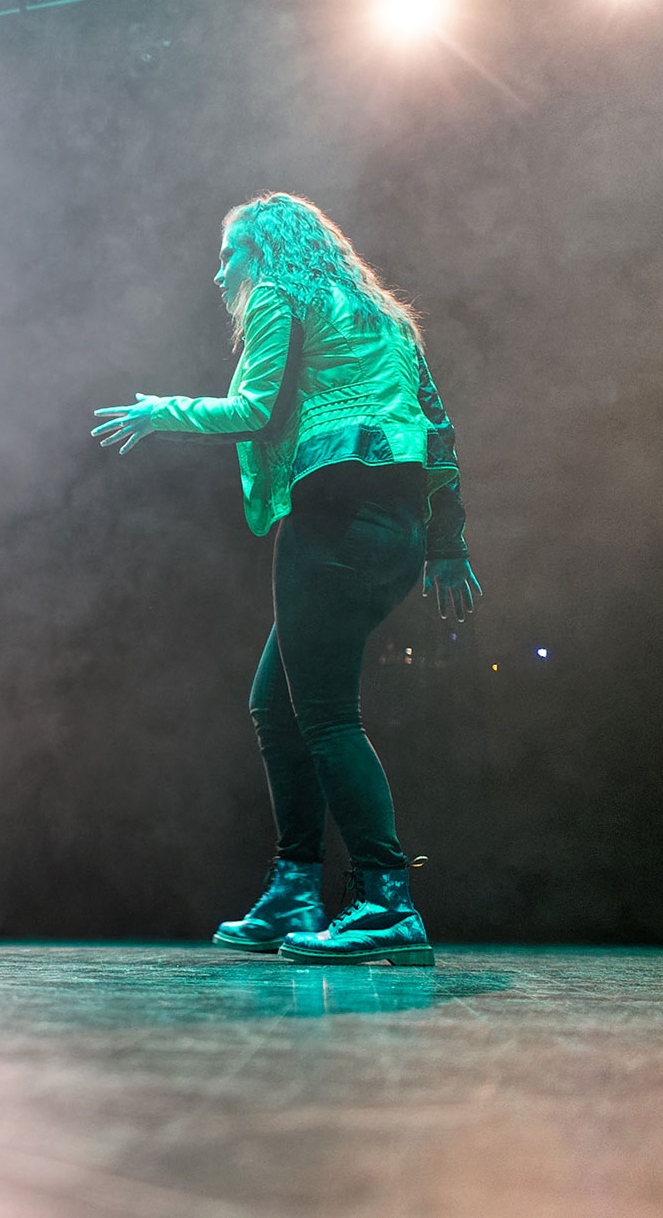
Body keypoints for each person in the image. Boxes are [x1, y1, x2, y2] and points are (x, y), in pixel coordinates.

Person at [92, 192, 479, 966]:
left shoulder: (279, 293)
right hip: (397, 531)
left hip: (333, 518)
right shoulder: (386, 317)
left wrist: (160, 411)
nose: (219, 273)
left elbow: (256, 411)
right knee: (276, 703)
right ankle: (296, 887)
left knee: (326, 717)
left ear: (266, 251)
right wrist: (446, 543)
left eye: (229, 254)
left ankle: (387, 901)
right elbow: (438, 430)